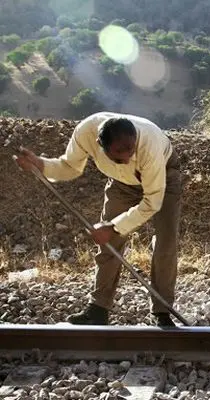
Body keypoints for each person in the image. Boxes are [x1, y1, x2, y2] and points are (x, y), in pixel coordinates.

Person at [13, 112, 182, 326]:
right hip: (121, 183)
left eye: (131, 149)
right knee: (109, 242)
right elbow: (70, 167)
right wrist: (42, 165)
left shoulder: (149, 146)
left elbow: (151, 204)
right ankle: (98, 310)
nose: (128, 158)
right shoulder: (86, 132)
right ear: (100, 146)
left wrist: (113, 226)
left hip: (163, 177)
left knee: (165, 243)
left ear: (135, 139)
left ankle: (162, 312)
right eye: (119, 153)